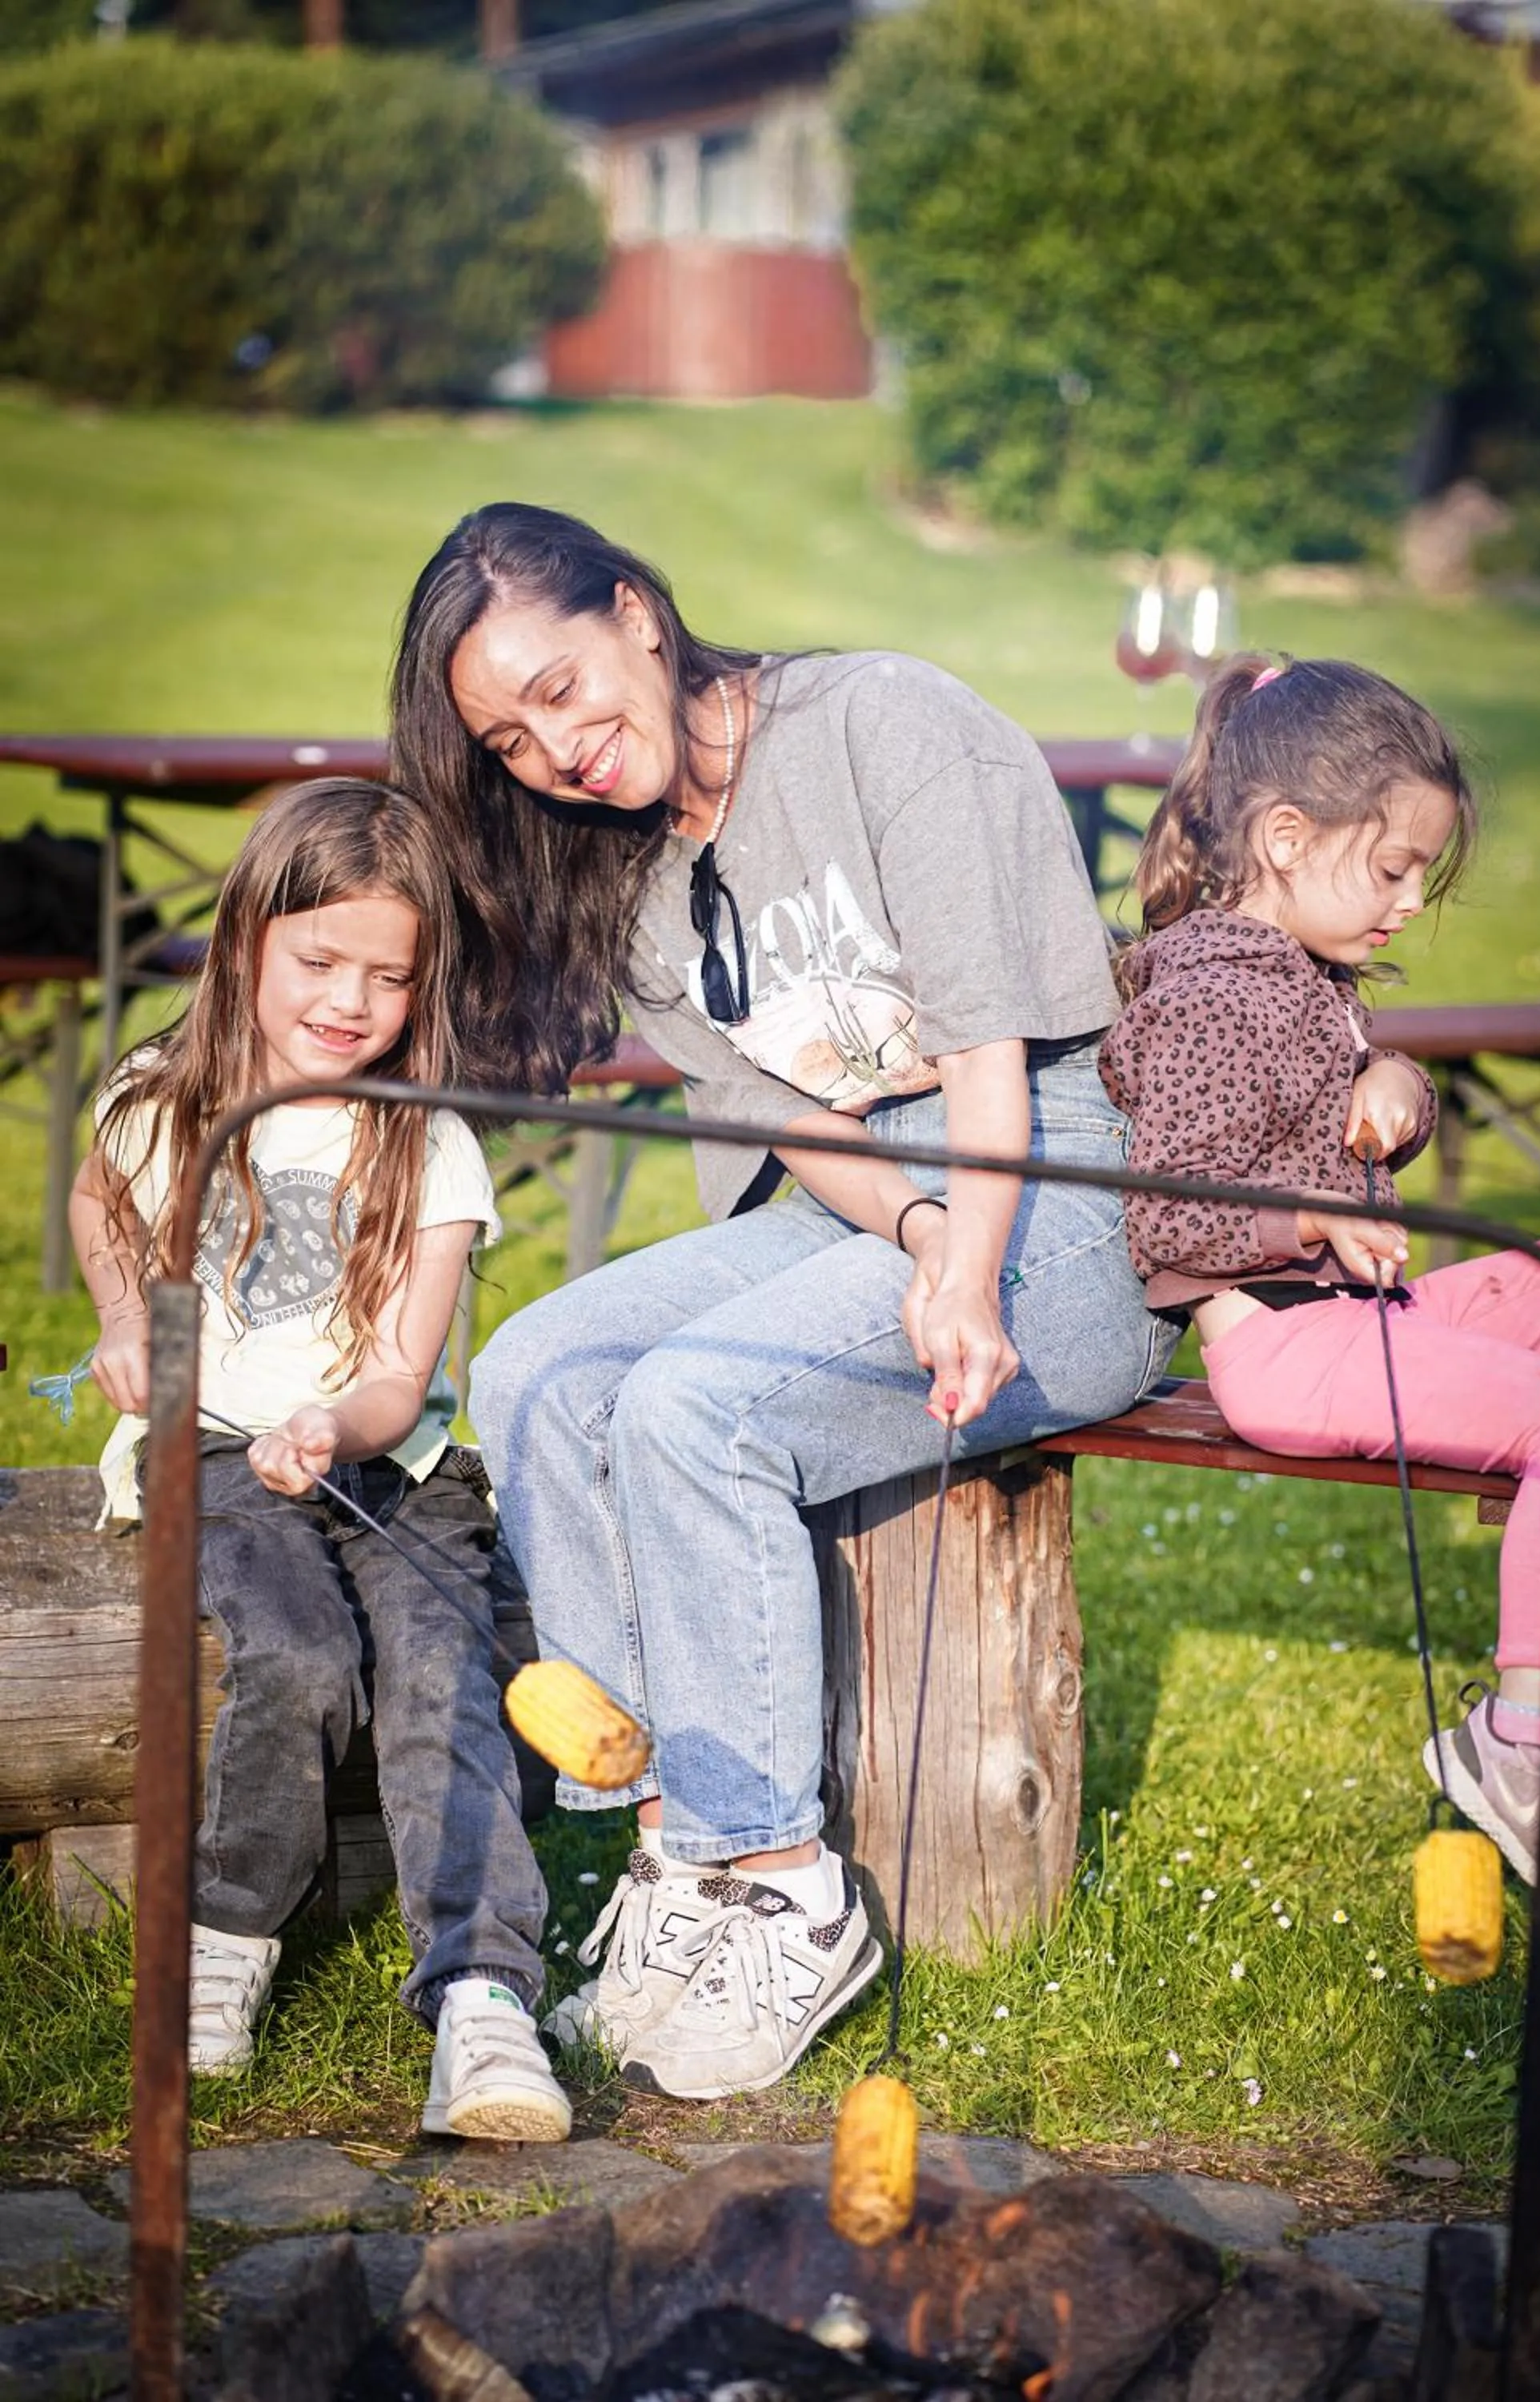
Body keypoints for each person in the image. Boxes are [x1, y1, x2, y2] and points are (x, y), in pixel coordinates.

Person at [389, 502, 1177, 2101]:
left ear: (637, 611)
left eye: (558, 684)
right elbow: (803, 1131)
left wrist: (965, 1262)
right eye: (505, 736)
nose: (552, 747)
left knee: (698, 1402)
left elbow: (980, 1051)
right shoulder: (630, 886)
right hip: (882, 1202)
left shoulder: (881, 722)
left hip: (1066, 1195)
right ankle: (680, 1855)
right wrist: (916, 1228)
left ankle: (787, 1885)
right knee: (541, 1367)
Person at [70, 778, 571, 2139]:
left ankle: (482, 1994)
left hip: (388, 1461)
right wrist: (126, 1325)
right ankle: (223, 1939)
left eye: (388, 977)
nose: (350, 1001)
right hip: (221, 1451)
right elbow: (103, 1208)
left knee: (438, 1667)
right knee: (294, 1652)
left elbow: (404, 1375)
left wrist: (335, 1426)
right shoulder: (162, 1103)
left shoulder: (430, 1144)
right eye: (319, 961)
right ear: (245, 943)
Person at [1098, 653, 1540, 1898]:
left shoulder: (1305, 976)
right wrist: (1313, 1219)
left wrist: (1399, 1091)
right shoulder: (1216, 992)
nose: (1411, 899)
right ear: (1283, 836)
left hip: (1355, 1310)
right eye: (1393, 868)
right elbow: (1170, 1214)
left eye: (1422, 872)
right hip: (1281, 1343)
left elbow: (1364, 1106)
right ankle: (1521, 1748)